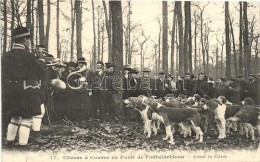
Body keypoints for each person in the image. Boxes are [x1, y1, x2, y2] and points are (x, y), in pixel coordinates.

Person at [2, 26, 45, 149]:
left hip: (10, 91)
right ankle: (22, 147)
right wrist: (41, 59)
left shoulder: (6, 56)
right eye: (28, 39)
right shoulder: (29, 56)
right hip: (27, 92)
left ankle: (9, 143)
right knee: (27, 118)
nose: (29, 42)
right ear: (24, 39)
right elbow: (41, 73)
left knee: (15, 117)